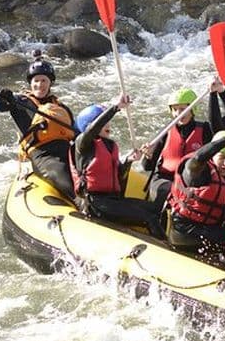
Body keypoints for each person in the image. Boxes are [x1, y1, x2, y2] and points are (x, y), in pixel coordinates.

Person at [0, 51, 75, 198]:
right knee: (61, 175)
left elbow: (76, 132)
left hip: (64, 150)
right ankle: (80, 203)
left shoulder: (60, 107)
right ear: (30, 83)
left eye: (43, 81)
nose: (39, 85)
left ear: (50, 83)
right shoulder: (19, 102)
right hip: (40, 153)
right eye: (36, 81)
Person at [70, 93, 165, 238]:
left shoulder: (110, 145)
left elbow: (118, 176)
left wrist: (129, 161)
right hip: (96, 204)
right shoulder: (82, 144)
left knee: (156, 210)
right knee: (149, 218)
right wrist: (116, 107)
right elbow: (92, 130)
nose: (108, 125)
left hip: (113, 200)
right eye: (103, 123)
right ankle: (164, 249)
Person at [166, 130, 225, 259]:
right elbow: (198, 158)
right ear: (212, 155)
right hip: (185, 230)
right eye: (222, 157)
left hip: (208, 229)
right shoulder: (200, 172)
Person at [141, 87, 213, 213]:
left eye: (183, 109)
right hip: (164, 179)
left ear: (193, 109)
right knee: (172, 191)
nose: (178, 113)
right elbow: (147, 167)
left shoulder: (205, 129)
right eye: (175, 109)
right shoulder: (166, 131)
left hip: (190, 183)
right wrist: (148, 156)